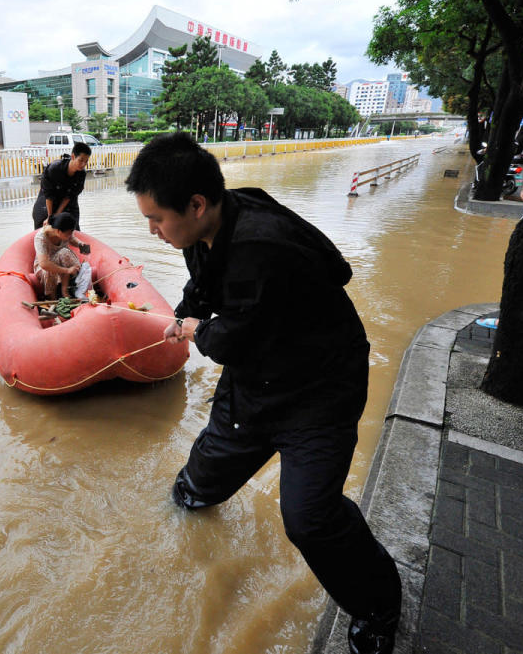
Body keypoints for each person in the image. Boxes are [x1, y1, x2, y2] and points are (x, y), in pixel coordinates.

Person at [126, 132, 401, 654]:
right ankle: (187, 503)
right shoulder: (215, 223)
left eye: (156, 220)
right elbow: (203, 287)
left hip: (320, 391)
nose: (154, 231)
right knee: (198, 483)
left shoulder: (260, 246)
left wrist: (191, 331)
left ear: (197, 204)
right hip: (257, 383)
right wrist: (187, 310)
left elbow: (227, 339)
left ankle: (379, 605)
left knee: (309, 518)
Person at [32, 142, 91, 230]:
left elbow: (70, 196)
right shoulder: (54, 169)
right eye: (81, 160)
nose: (83, 164)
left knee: (72, 228)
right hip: (48, 201)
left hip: (68, 202)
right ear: (73, 157)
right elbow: (49, 195)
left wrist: (58, 214)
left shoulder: (81, 174)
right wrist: (50, 217)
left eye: (86, 161)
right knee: (44, 223)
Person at [33, 212, 89, 299]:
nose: (70, 235)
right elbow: (44, 264)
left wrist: (80, 245)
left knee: (64, 253)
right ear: (58, 231)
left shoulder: (64, 231)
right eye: (68, 233)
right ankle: (52, 298)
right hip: (45, 268)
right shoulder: (41, 238)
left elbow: (72, 239)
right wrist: (67, 270)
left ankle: (64, 290)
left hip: (62, 261)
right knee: (50, 267)